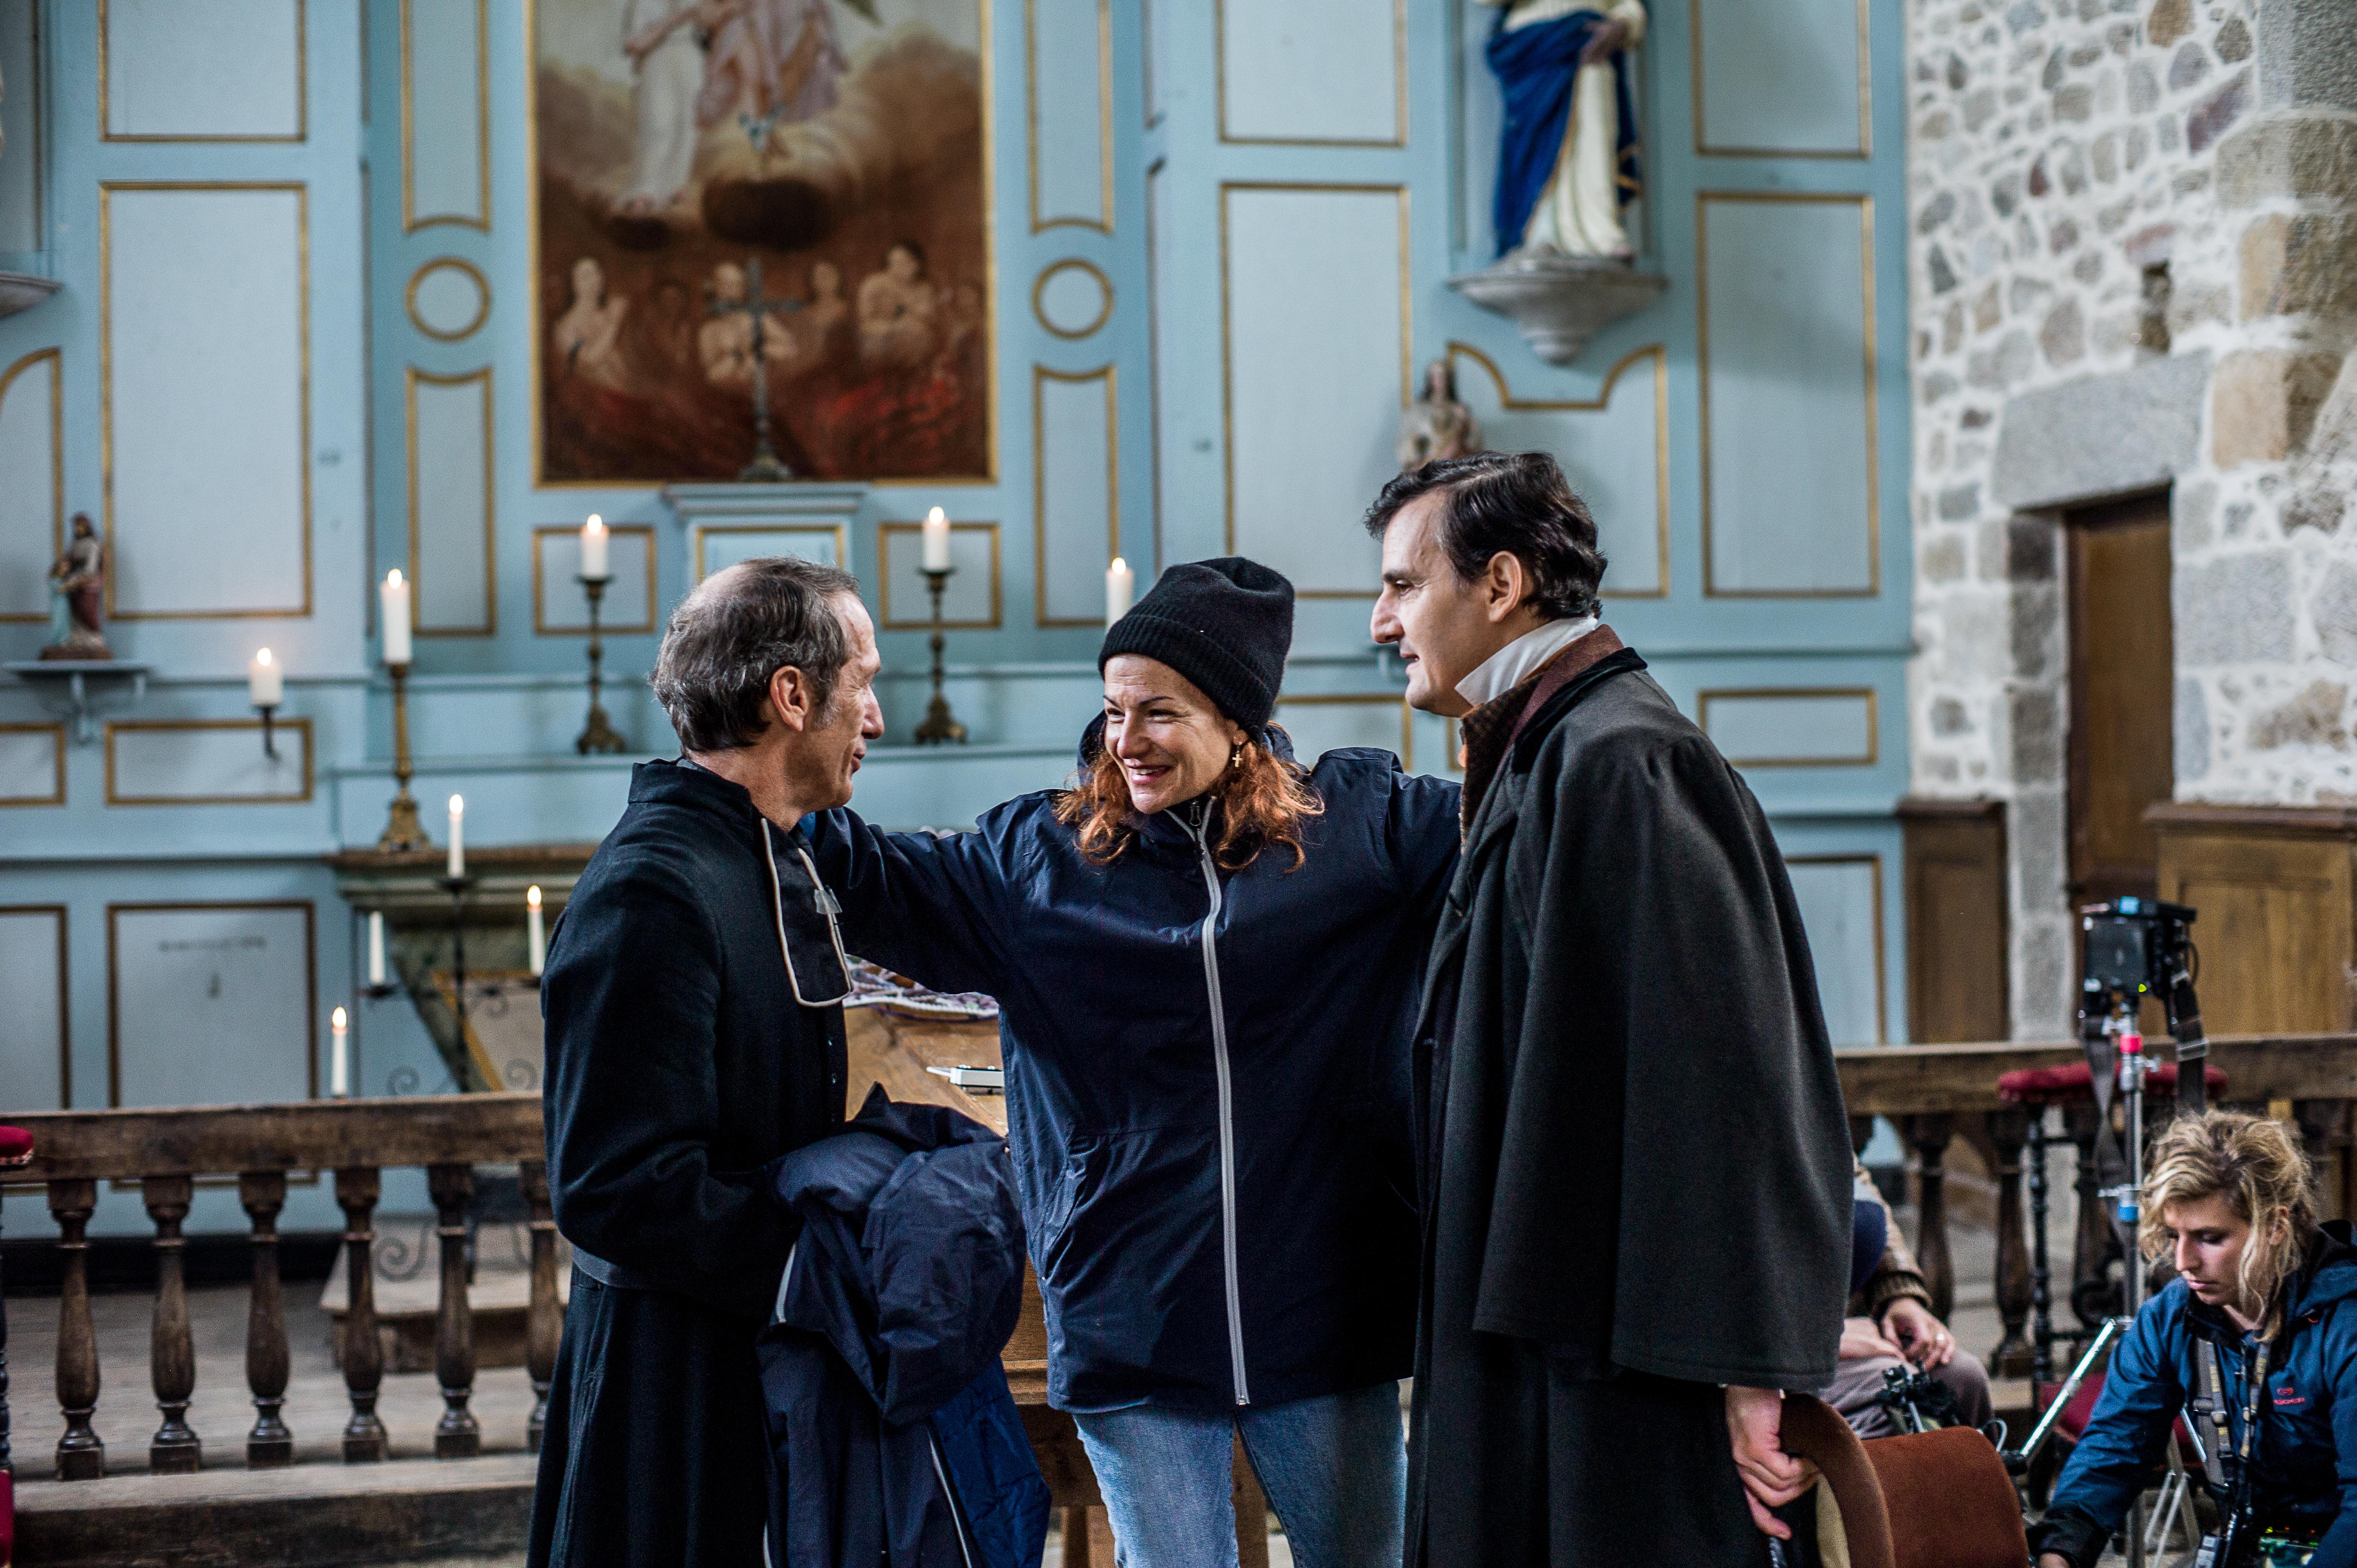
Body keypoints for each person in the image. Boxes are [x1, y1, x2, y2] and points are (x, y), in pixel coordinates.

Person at [803, 558, 1463, 1568]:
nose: (1126, 742)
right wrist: (780, 760)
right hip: (1130, 1316)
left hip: (1325, 1312)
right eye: (1113, 710)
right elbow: (868, 878)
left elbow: (1525, 826)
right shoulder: (1035, 861)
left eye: (1159, 712)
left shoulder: (1359, 831)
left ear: (1239, 721)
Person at [1370, 451, 1852, 1564]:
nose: (1384, 620)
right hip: (1546, 1346)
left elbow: (1729, 1084)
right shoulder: (1549, 748)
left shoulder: (1627, 761)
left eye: (1403, 585)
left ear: (1500, 586)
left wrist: (1744, 1370)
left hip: (1623, 1375)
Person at [526, 556, 886, 1567]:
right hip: (671, 1392)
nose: (876, 718)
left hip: (751, 1359)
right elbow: (615, 1189)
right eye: (863, 684)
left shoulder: (767, 851)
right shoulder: (655, 887)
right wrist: (833, 1248)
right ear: (792, 695)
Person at [2030, 1109, 2357, 1568]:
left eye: (2208, 1237)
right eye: (2173, 1235)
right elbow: (2114, 1445)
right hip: (2256, 1545)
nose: (2183, 1261)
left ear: (2276, 1225)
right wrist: (2060, 1550)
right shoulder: (2172, 1315)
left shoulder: (2346, 1322)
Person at [1831, 1157, 1993, 1439]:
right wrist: (1816, 1341)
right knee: (1898, 1395)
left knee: (1962, 1376)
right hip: (1756, 1359)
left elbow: (1853, 1181)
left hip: (1817, 1331)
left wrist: (1898, 1292)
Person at [1477, 0, 1645, 260]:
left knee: (1595, 133)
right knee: (1536, 143)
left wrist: (1623, 24)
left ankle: (1600, 232)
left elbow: (1632, 4)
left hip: (1593, 39)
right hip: (1537, 45)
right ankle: (1539, 234)